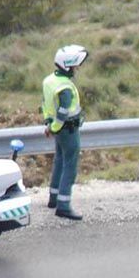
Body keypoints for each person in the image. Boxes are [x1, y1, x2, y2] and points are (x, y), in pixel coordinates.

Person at [42, 45, 88, 220]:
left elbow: (46, 105)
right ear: (68, 66)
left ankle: (53, 198)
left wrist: (49, 125)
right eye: (76, 66)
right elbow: (62, 111)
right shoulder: (65, 87)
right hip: (68, 129)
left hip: (57, 130)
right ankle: (63, 205)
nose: (77, 69)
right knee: (70, 166)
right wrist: (55, 127)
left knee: (59, 161)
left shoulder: (49, 81)